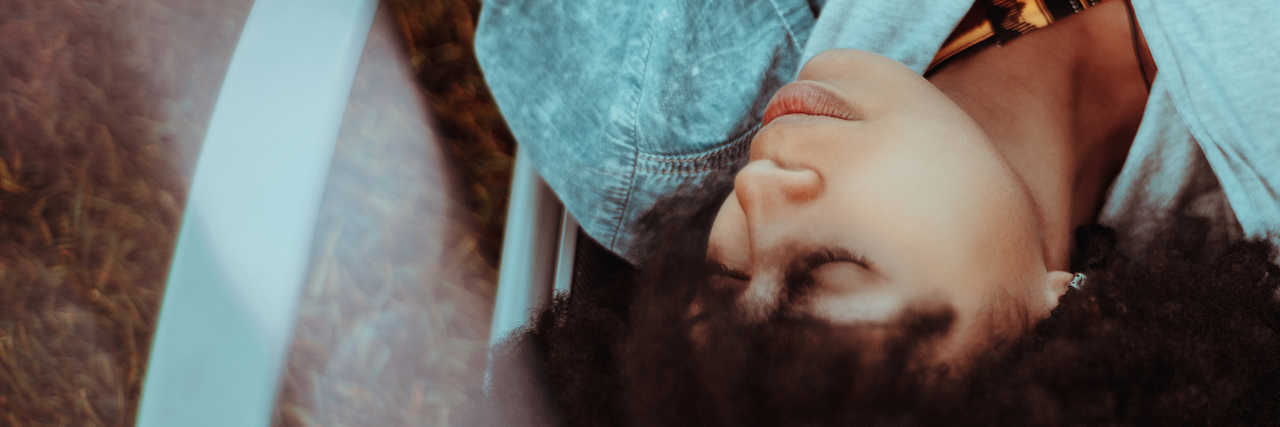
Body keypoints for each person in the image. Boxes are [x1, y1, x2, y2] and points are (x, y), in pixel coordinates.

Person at [471, 0, 1280, 423]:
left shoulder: (659, 102)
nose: (755, 194)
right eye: (829, 263)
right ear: (1068, 314)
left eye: (724, 270)